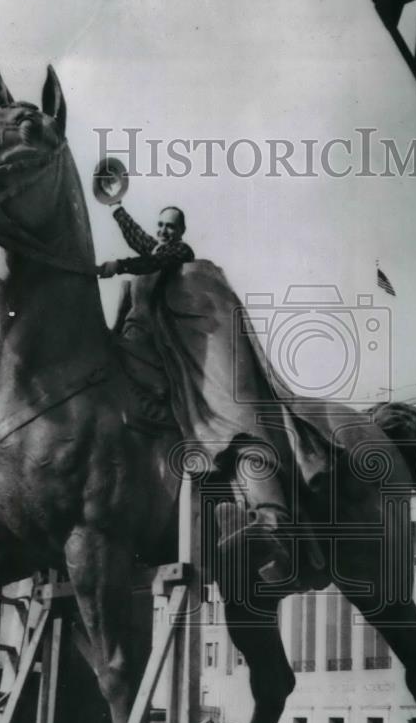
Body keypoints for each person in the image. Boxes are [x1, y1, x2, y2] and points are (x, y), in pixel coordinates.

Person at [98, 204, 294, 585]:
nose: (163, 232)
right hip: (132, 344)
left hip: (162, 357)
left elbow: (153, 257)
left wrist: (117, 265)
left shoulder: (177, 255)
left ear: (181, 231)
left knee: (232, 424)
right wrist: (118, 210)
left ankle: (272, 521)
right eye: (160, 226)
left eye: (170, 227)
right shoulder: (151, 256)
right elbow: (143, 246)